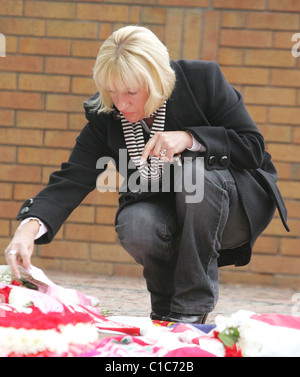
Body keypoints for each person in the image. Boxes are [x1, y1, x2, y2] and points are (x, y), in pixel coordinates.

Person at [4, 26, 289, 324]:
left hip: (232, 206)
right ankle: (165, 310)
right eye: (112, 91)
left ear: (156, 81)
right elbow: (72, 178)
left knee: (196, 173)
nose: (121, 103)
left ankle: (191, 310)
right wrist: (28, 227)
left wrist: (190, 139)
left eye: (130, 92)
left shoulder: (202, 79)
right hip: (169, 211)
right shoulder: (106, 114)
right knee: (135, 222)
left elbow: (253, 147)